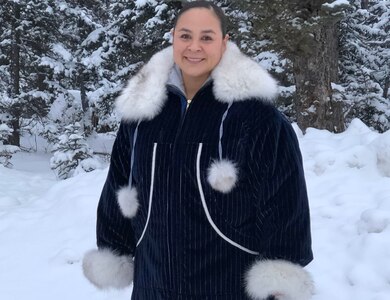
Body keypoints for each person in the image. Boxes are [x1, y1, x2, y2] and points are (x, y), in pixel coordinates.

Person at [82, 1, 314, 299]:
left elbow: (285, 204)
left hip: (229, 287)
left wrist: (281, 281)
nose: (194, 47)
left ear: (224, 42)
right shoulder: (142, 114)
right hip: (154, 286)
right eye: (185, 36)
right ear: (173, 37)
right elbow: (119, 187)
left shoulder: (257, 118)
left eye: (206, 37)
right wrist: (114, 249)